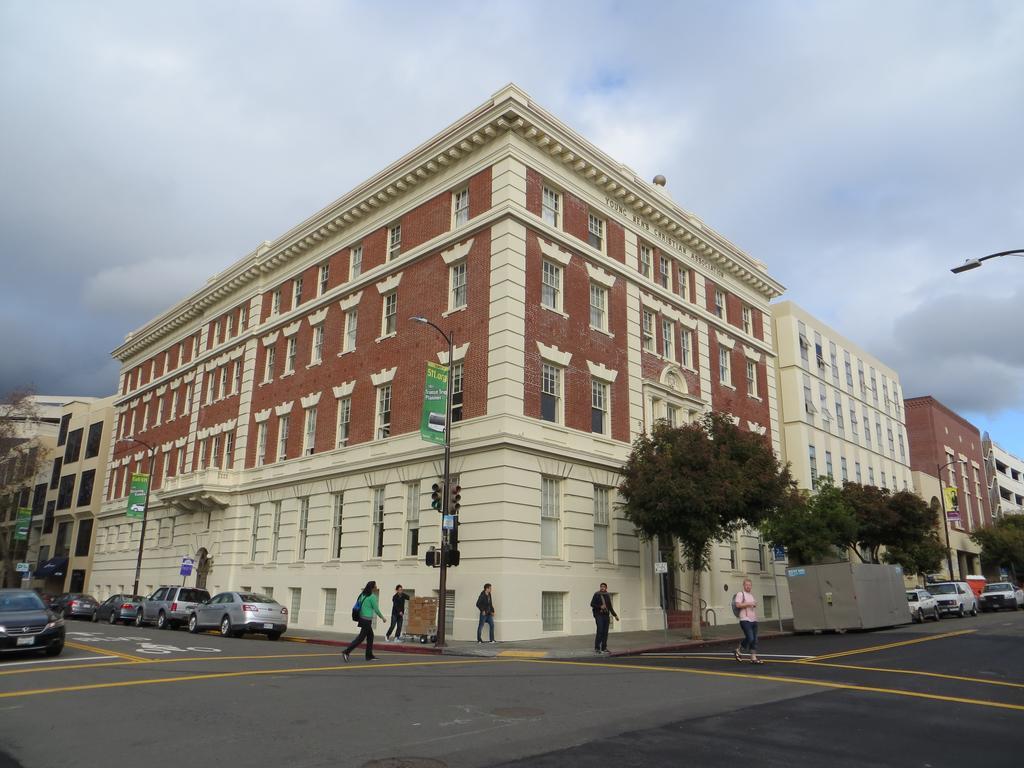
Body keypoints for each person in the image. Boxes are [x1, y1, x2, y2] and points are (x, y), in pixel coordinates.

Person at [343, 580, 387, 662]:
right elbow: (376, 609)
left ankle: (369, 655)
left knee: (370, 636)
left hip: (362, 619)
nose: (376, 587)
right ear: (372, 587)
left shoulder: (362, 594)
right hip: (366, 620)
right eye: (375, 586)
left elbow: (358, 605)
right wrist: (383, 618)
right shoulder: (372, 597)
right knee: (360, 638)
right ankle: (346, 652)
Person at [733, 578, 763, 664]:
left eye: (750, 585)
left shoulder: (751, 595)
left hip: (753, 620)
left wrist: (754, 604)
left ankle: (753, 658)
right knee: (750, 637)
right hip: (745, 620)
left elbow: (752, 605)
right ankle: (738, 650)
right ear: (743, 585)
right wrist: (749, 603)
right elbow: (738, 605)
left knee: (754, 640)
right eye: (747, 585)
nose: (748, 587)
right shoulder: (740, 594)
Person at [590, 582, 619, 654]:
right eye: (601, 586)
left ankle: (604, 648)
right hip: (598, 615)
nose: (602, 588)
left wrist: (615, 615)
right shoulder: (596, 594)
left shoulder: (607, 595)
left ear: (606, 588)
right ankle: (597, 648)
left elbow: (610, 607)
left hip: (606, 615)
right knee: (600, 630)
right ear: (600, 587)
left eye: (604, 587)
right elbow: (592, 604)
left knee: (605, 632)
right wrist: (600, 606)